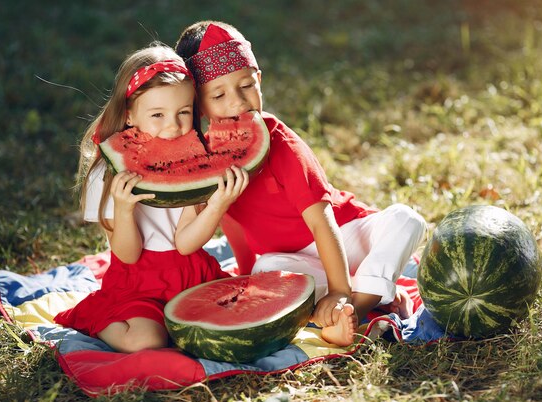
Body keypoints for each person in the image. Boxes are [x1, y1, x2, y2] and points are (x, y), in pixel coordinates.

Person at [175, 22, 427, 347]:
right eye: (219, 95)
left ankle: (351, 307)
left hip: (346, 238)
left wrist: (338, 290)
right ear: (199, 105)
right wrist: (246, 275)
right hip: (294, 262)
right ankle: (347, 306)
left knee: (406, 220)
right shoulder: (208, 160)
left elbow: (322, 222)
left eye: (246, 85)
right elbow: (231, 220)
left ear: (259, 81)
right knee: (267, 268)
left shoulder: (281, 142)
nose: (238, 102)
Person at [54, 42, 248, 353]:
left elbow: (186, 242)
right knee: (147, 340)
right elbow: (127, 255)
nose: (172, 126)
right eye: (157, 114)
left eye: (183, 112)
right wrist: (124, 209)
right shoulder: (106, 173)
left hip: (192, 274)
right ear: (129, 115)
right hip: (137, 286)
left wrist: (217, 205)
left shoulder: (196, 160)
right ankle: (96, 316)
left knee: (244, 317)